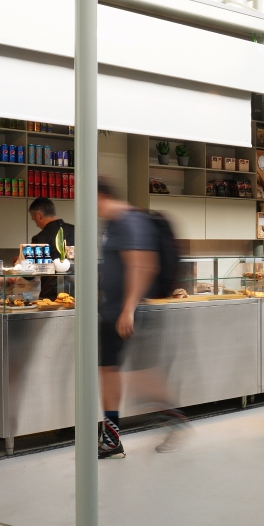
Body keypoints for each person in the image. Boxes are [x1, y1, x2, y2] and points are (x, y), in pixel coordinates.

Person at [97, 178, 188, 458]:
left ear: (100, 196)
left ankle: (173, 419)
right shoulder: (114, 223)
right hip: (114, 310)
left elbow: (142, 265)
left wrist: (128, 309)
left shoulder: (128, 221)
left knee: (136, 374)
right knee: (111, 370)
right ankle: (112, 438)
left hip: (126, 312)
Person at [28, 197, 75, 300]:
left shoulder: (40, 238)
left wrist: (19, 262)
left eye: (34, 219)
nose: (36, 225)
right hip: (77, 295)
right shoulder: (76, 230)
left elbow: (29, 274)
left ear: (38, 215)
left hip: (51, 297)